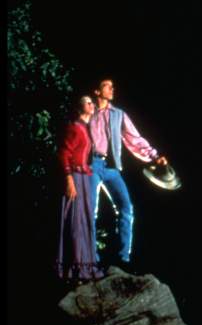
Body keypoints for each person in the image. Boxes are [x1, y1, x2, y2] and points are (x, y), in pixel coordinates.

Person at [88, 79, 167, 268]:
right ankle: (92, 259)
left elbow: (134, 139)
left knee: (126, 208)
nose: (112, 89)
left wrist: (154, 156)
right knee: (90, 211)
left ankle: (122, 258)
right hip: (91, 165)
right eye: (107, 86)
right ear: (97, 91)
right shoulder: (87, 112)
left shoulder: (118, 115)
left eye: (112, 86)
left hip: (111, 167)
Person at [56, 96, 104, 284]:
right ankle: (73, 270)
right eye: (87, 102)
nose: (92, 104)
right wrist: (69, 179)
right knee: (75, 220)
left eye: (93, 102)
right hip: (75, 177)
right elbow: (64, 153)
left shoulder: (86, 127)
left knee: (85, 219)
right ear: (79, 107)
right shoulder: (74, 127)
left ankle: (85, 267)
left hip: (85, 176)